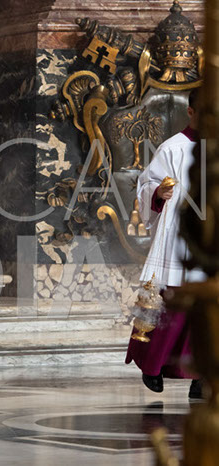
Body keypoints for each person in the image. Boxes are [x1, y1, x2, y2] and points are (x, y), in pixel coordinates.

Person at [126, 88, 204, 399]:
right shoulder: (173, 148)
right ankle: (152, 364)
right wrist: (158, 193)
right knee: (172, 306)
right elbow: (147, 183)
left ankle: (202, 376)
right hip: (179, 238)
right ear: (191, 112)